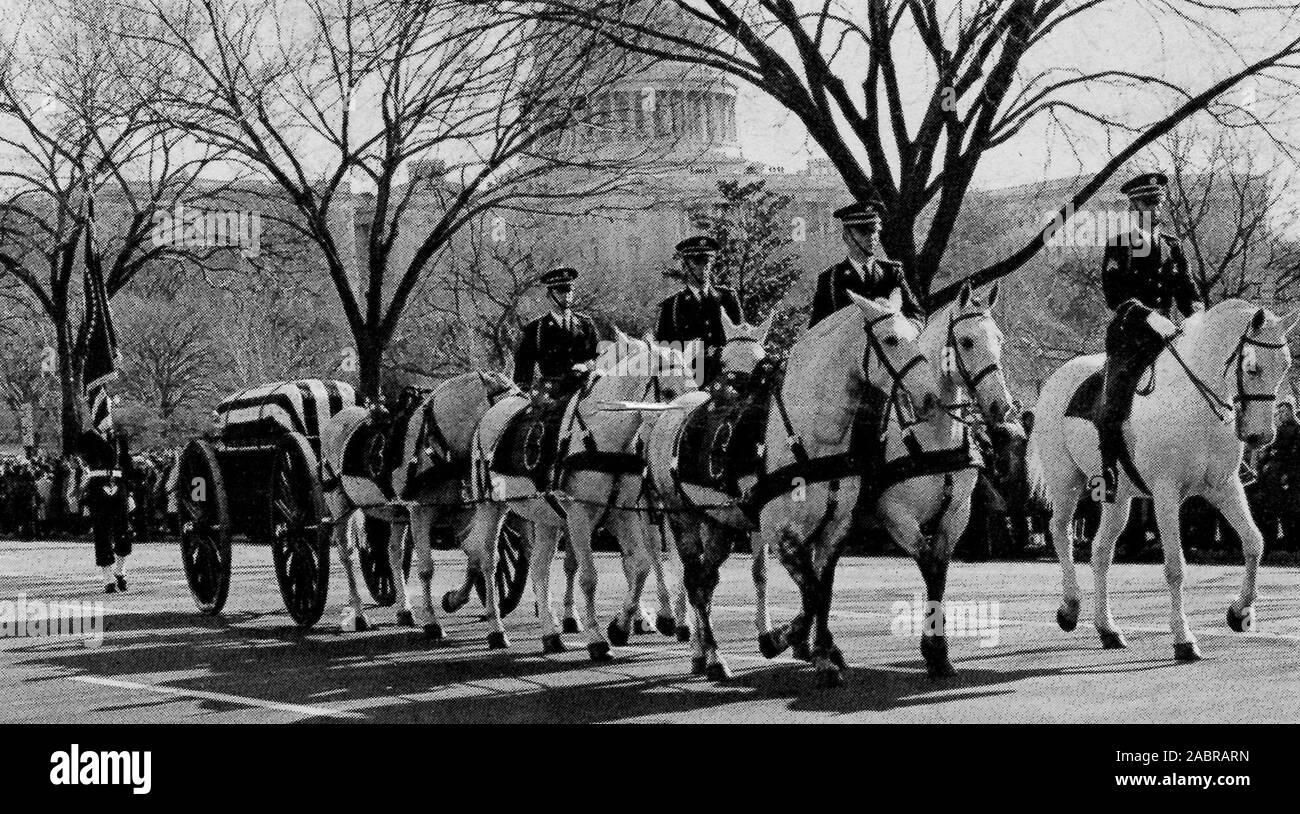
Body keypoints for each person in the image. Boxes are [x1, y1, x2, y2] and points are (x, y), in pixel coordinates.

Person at [1096, 171, 1203, 502]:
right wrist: (1148, 315)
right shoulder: (1120, 245)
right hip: (1131, 339)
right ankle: (1107, 477)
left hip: (1168, 340)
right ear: (1134, 207)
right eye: (1148, 204)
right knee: (1110, 406)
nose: (1156, 209)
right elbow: (1115, 295)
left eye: (1158, 203)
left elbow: (1188, 290)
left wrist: (1199, 315)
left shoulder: (1174, 246)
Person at [809, 194, 922, 328]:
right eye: (864, 232)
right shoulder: (830, 280)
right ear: (847, 236)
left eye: (874, 231)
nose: (871, 237)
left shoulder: (892, 272)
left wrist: (906, 332)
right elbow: (817, 330)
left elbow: (916, 315)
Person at [655, 235, 742, 385]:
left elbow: (740, 342)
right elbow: (664, 354)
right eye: (697, 262)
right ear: (685, 266)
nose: (704, 267)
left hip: (726, 382)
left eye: (707, 261)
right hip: (689, 384)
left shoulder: (728, 299)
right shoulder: (671, 306)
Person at [512, 266, 599, 400]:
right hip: (551, 394)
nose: (567, 295)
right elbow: (523, 372)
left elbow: (598, 356)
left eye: (570, 290)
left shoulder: (585, 324)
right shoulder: (536, 329)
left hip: (584, 390)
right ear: (549, 295)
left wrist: (586, 365)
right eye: (561, 291)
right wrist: (522, 395)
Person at [75, 428, 136, 593]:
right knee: (102, 534)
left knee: (124, 531)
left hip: (118, 485)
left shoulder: (118, 437)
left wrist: (129, 492)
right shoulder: (88, 437)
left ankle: (120, 570)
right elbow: (81, 456)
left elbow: (126, 465)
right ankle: (108, 578)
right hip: (98, 486)